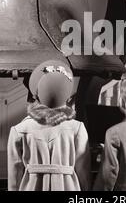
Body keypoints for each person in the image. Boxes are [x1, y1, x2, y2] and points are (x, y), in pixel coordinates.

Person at [7, 60, 91, 191]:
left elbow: (14, 175)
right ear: (67, 96)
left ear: (37, 95)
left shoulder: (19, 130)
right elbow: (83, 172)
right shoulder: (77, 128)